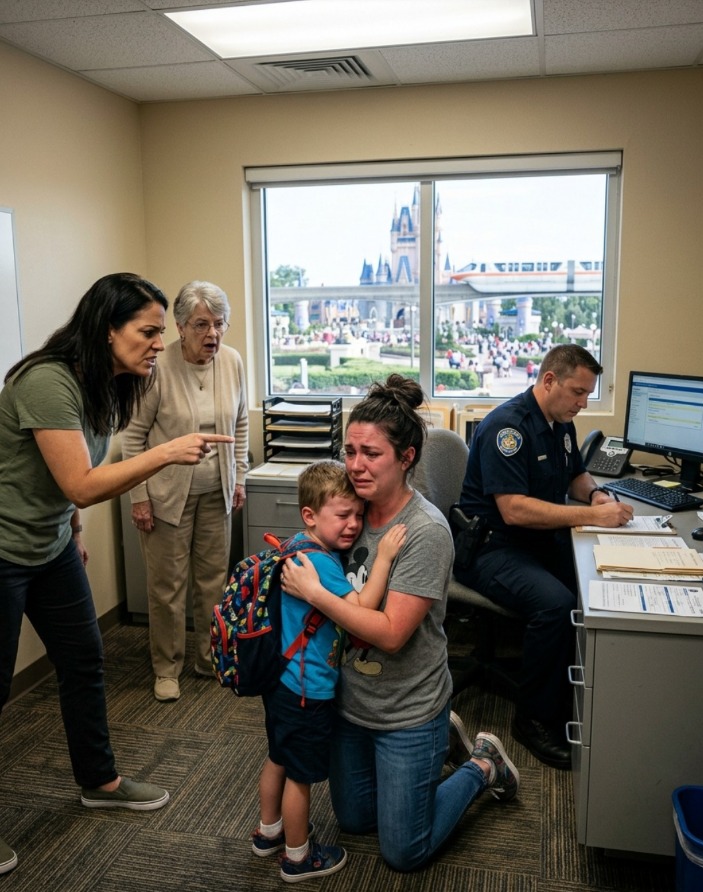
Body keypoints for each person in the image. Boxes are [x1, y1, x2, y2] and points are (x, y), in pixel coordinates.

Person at [0, 272, 235, 875]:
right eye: (149, 332)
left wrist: (71, 534)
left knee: (84, 660)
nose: (160, 343)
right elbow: (81, 483)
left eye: (162, 332)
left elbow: (64, 484)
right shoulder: (47, 382)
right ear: (108, 329)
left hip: (48, 544)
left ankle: (99, 782)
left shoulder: (108, 383)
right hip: (2, 548)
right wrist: (168, 451)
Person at [280, 375, 520, 873]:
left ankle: (481, 763)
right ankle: (443, 741)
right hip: (350, 703)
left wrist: (316, 594)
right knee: (354, 822)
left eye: (371, 454)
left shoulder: (424, 532)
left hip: (406, 707)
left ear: (406, 458)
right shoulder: (349, 511)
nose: (355, 465)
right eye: (349, 451)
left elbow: (389, 634)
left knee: (403, 852)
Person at [454, 344, 633, 769]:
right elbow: (513, 509)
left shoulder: (559, 422)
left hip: (531, 542)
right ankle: (532, 720)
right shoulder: (508, 428)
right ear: (549, 380)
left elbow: (573, 473)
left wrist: (595, 493)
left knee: (591, 585)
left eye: (588, 394)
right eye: (577, 392)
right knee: (555, 604)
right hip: (490, 547)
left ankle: (573, 692)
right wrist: (591, 516)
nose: (583, 403)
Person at [252, 460, 406, 883]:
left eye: (358, 514)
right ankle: (299, 857)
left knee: (278, 758)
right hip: (308, 688)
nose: (354, 524)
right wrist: (386, 558)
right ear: (310, 515)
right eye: (343, 515)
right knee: (300, 778)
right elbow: (362, 609)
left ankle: (268, 832)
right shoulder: (319, 564)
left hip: (281, 681)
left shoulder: (296, 545)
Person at [121, 281, 249, 701]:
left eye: (219, 324)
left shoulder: (232, 361)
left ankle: (209, 658)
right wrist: (139, 495)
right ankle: (166, 667)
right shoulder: (158, 367)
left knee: (214, 582)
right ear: (179, 326)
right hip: (165, 497)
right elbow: (132, 439)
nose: (212, 334)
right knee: (166, 587)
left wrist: (240, 478)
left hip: (217, 492)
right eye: (201, 325)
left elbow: (241, 424)